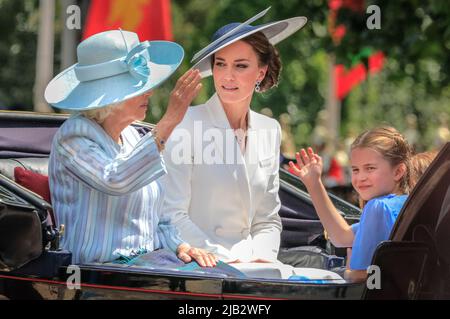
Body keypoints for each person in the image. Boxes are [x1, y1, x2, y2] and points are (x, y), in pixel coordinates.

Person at [44, 30, 220, 270]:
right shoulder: (73, 136)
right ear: (109, 98)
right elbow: (115, 179)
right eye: (138, 88)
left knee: (229, 280)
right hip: (98, 270)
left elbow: (156, 218)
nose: (150, 92)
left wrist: (180, 246)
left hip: (145, 264)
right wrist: (169, 121)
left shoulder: (132, 135)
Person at [161, 9, 308, 266]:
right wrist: (225, 261)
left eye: (240, 65)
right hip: (199, 267)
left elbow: (267, 219)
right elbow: (171, 214)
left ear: (260, 73)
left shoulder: (269, 129)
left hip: (254, 269)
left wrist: (261, 259)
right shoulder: (186, 124)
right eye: (221, 64)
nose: (228, 76)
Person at [289, 126, 413, 282]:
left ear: (398, 171)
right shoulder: (406, 204)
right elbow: (342, 237)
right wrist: (314, 184)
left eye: (370, 168)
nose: (360, 177)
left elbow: (362, 278)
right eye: (355, 170)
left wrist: (349, 272)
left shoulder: (378, 207)